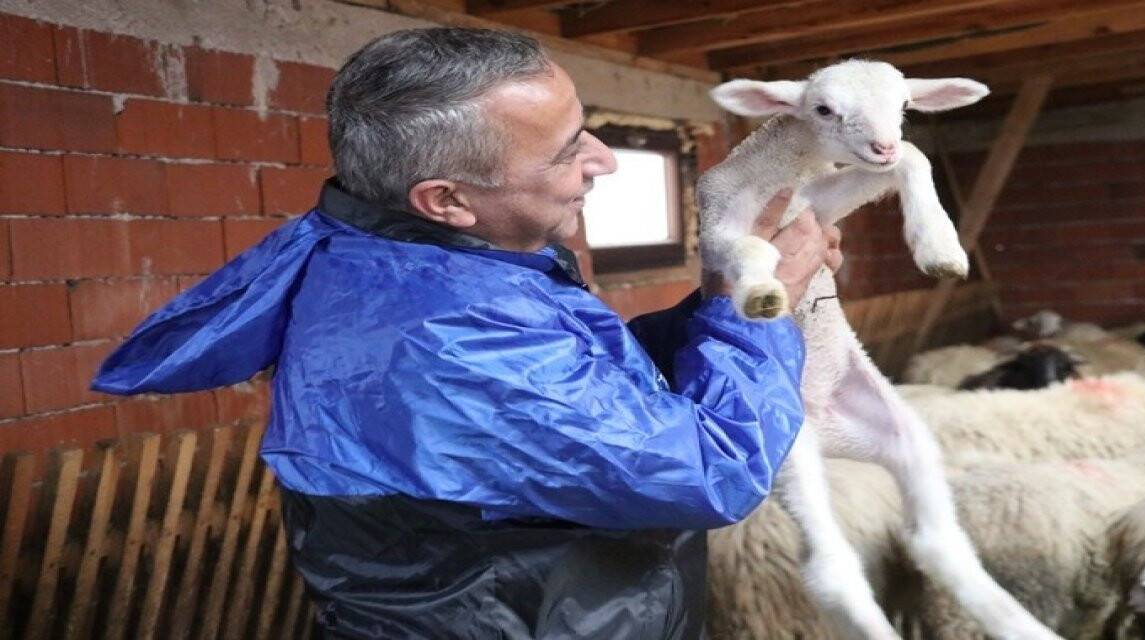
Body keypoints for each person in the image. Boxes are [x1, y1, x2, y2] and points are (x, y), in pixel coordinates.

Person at [93, 27, 841, 639]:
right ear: (446, 198)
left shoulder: (407, 265)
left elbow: (589, 392)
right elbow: (712, 471)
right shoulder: (447, 338)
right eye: (567, 150)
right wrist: (756, 306)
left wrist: (713, 300)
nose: (603, 161)